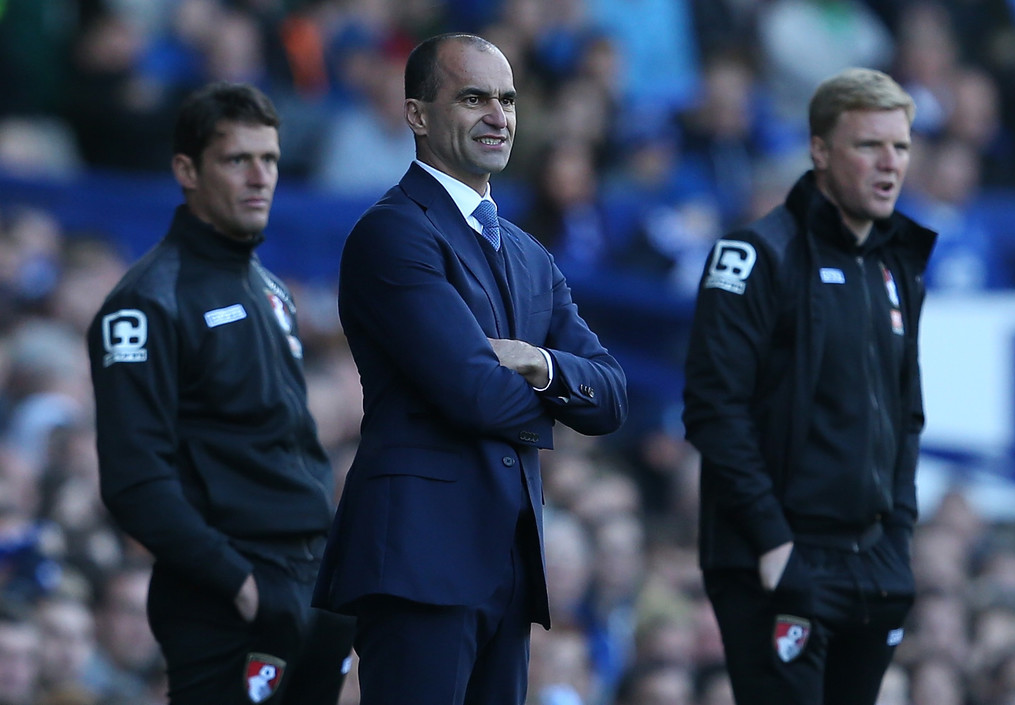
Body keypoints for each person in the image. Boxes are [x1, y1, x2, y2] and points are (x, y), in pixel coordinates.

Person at [312, 33, 628, 705]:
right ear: (419, 115)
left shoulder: (528, 252)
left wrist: (539, 362)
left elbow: (613, 396)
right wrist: (558, 397)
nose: (498, 115)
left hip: (508, 565)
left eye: (507, 100)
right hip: (417, 560)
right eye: (474, 97)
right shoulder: (393, 232)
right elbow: (474, 393)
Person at [85, 81, 354, 705]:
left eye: (271, 160)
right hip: (233, 599)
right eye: (238, 160)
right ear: (187, 169)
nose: (260, 177)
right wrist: (239, 584)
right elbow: (134, 481)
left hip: (315, 585)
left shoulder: (271, 289)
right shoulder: (147, 303)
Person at [682, 67, 936, 705]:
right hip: (780, 558)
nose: (889, 164)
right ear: (820, 150)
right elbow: (714, 411)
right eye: (868, 145)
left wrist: (899, 539)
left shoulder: (897, 265)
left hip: (874, 560)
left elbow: (906, 414)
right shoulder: (755, 255)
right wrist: (772, 541)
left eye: (900, 146)